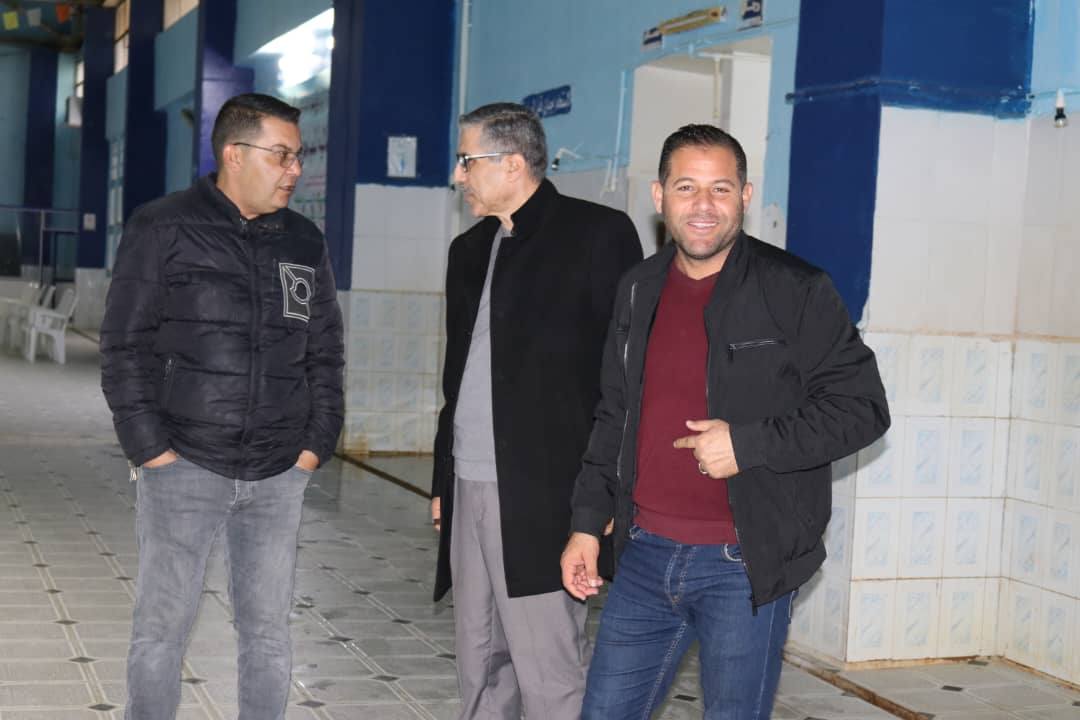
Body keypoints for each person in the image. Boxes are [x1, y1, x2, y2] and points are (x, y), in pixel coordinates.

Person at [561, 124, 890, 719]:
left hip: (743, 565)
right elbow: (614, 413)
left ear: (745, 195)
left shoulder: (795, 289)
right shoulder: (638, 289)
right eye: (686, 187)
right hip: (643, 554)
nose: (704, 205)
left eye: (721, 188)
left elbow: (863, 408)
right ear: (659, 196)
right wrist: (587, 522)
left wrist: (748, 444)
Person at [100, 93, 344, 720]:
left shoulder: (303, 240)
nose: (295, 169)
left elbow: (325, 351)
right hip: (184, 463)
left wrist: (314, 445)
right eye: (281, 155)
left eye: (298, 156)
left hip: (279, 470)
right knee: (162, 629)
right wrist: (151, 450)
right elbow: (124, 346)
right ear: (235, 154)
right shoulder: (163, 226)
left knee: (268, 633)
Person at [431, 102, 642, 719]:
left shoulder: (597, 235)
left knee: (548, 664)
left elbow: (625, 379)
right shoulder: (469, 250)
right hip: (469, 481)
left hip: (547, 490)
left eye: (467, 160)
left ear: (513, 163)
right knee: (479, 656)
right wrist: (444, 478)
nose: (459, 175)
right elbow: (456, 378)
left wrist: (601, 499)